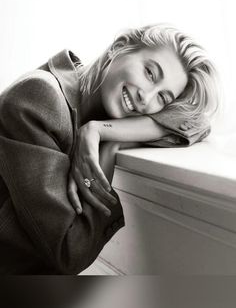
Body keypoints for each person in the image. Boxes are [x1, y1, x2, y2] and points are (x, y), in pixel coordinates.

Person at [0, 24, 219, 274]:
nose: (146, 99)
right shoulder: (39, 98)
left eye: (163, 98)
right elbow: (70, 250)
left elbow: (196, 122)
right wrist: (106, 151)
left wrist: (105, 132)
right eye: (149, 73)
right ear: (119, 47)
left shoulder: (93, 113)